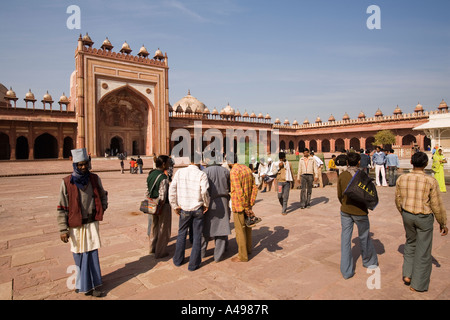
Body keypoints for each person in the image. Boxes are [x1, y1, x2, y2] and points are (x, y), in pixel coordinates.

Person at [57, 148, 108, 297]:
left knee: (91, 254)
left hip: (91, 222)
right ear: (74, 165)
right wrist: (62, 229)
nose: (83, 167)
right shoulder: (67, 182)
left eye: (85, 164)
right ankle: (82, 284)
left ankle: (93, 285)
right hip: (75, 225)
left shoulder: (94, 178)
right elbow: (61, 206)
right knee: (79, 254)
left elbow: (103, 194)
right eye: (79, 165)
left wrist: (102, 208)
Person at [395, 151, 448, 292]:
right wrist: (442, 223)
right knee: (423, 250)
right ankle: (417, 285)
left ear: (412, 163)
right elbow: (436, 205)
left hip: (407, 214)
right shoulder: (430, 181)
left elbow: (398, 199)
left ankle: (407, 274)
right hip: (423, 217)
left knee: (410, 243)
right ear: (426, 164)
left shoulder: (402, 178)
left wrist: (404, 213)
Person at [337, 152, 378, 279]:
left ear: (347, 162)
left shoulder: (342, 175)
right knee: (364, 236)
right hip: (360, 211)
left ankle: (346, 270)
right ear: (359, 162)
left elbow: (339, 195)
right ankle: (368, 261)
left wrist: (344, 203)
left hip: (345, 210)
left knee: (345, 239)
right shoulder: (362, 175)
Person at [169, 160, 210, 271]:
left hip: (184, 209)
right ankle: (193, 264)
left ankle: (178, 260)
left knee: (181, 234)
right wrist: (206, 204)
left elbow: (172, 189)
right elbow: (205, 191)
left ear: (190, 161)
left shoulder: (180, 172)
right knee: (197, 236)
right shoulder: (202, 174)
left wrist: (175, 205)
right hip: (197, 209)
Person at [201, 158, 232, 262]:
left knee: (206, 228)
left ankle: (202, 253)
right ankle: (218, 255)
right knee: (222, 228)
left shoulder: (204, 172)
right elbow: (230, 186)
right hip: (223, 200)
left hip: (209, 202)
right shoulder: (225, 171)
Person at [230, 156, 259, 262]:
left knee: (240, 230)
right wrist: (250, 203)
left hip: (239, 205)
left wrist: (246, 207)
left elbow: (239, 191)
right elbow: (254, 187)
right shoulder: (247, 169)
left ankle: (242, 256)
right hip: (248, 204)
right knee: (248, 227)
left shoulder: (234, 171)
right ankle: (248, 249)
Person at [147, 155, 172, 259]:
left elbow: (147, 191)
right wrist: (161, 207)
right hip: (161, 206)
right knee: (163, 228)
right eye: (168, 162)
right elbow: (163, 195)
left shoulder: (151, 174)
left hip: (151, 203)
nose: (169, 164)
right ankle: (160, 251)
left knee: (154, 226)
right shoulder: (163, 177)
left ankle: (152, 248)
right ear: (163, 164)